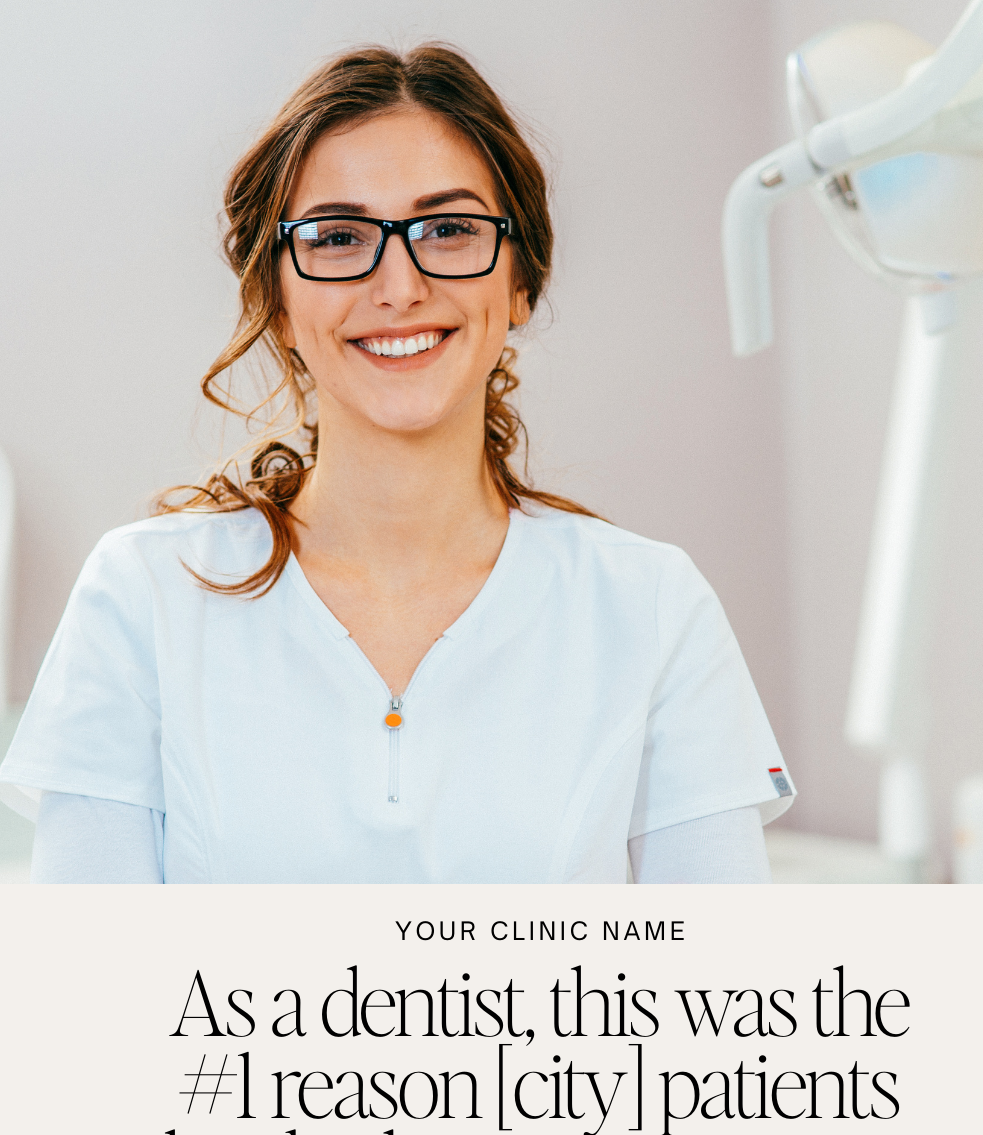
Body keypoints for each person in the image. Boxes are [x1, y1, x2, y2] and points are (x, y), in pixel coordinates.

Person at [0, 44, 793, 884]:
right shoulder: (142, 599)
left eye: (449, 229)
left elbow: (712, 992)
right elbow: (93, 998)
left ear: (521, 279)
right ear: (275, 297)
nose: (399, 284)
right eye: (339, 237)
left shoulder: (652, 610)